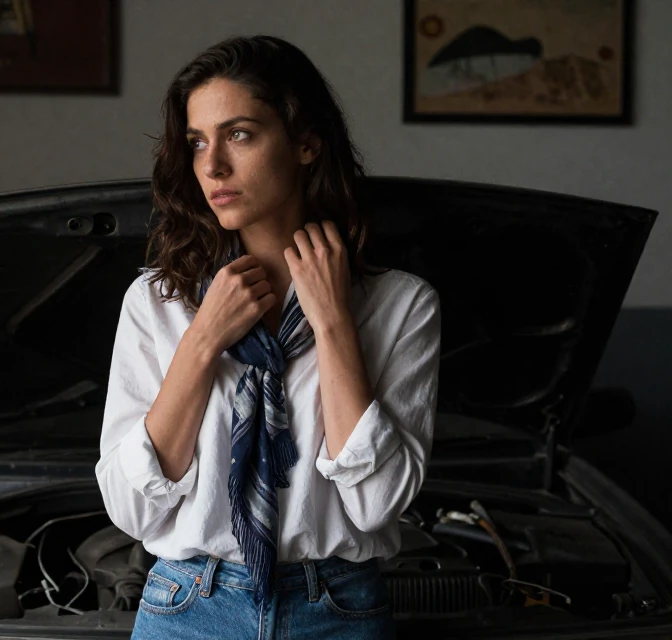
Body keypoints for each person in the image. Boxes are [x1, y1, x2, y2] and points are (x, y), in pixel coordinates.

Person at [94, 34, 441, 639]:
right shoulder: (157, 303)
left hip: (339, 611)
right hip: (186, 608)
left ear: (306, 143)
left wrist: (333, 322)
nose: (212, 166)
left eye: (239, 134)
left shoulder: (400, 306)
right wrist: (202, 341)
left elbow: (377, 503)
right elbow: (134, 510)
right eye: (197, 142)